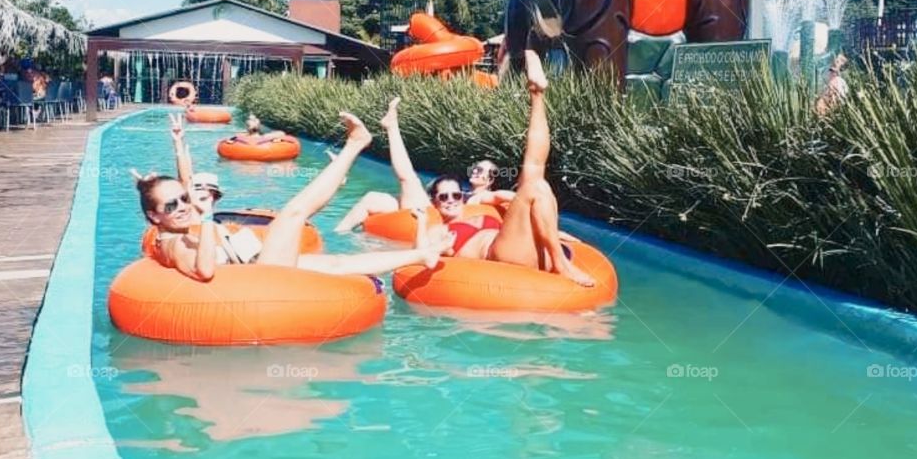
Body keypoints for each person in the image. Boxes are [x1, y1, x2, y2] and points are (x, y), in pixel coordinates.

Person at [136, 112, 451, 282]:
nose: (182, 207)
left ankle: (422, 255)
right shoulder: (174, 243)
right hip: (257, 278)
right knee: (294, 213)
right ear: (154, 216)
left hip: (258, 263)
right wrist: (204, 219)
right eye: (171, 205)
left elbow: (186, 185)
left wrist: (178, 147)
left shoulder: (175, 224)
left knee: (340, 263)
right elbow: (204, 271)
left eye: (182, 200)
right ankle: (355, 144)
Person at [423, 51, 594, 286]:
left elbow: (512, 204)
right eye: (444, 196)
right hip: (500, 256)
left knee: (534, 172)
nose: (451, 199)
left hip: (523, 248)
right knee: (534, 182)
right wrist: (433, 236)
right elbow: (423, 254)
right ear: (435, 202)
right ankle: (560, 264)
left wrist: (565, 237)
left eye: (455, 194)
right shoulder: (438, 229)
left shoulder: (480, 204)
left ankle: (537, 93)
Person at [334, 97, 505, 232]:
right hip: (429, 206)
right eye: (475, 167)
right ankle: (337, 234)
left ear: (489, 180)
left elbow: (505, 196)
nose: (475, 171)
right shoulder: (464, 192)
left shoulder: (483, 197)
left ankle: (392, 126)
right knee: (372, 198)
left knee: (409, 179)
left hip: (432, 216)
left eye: (481, 170)